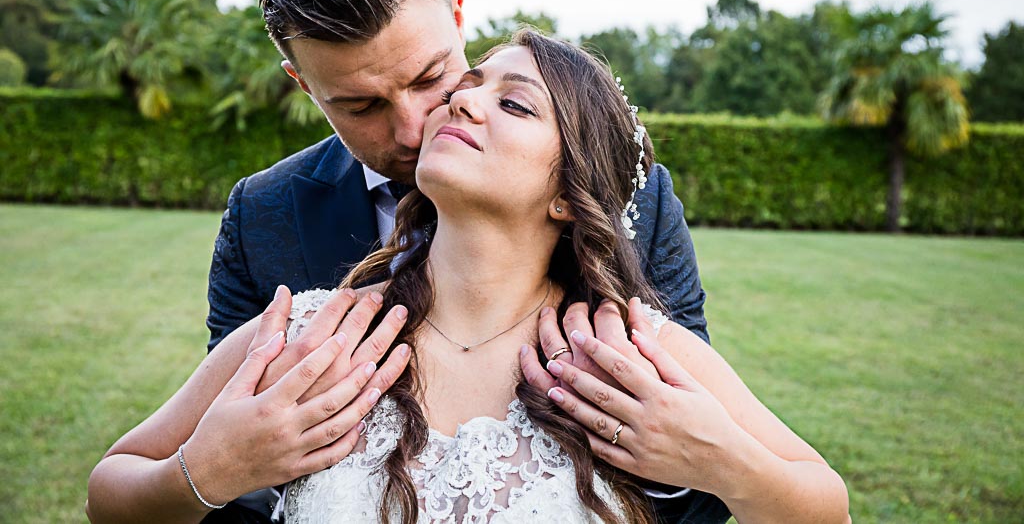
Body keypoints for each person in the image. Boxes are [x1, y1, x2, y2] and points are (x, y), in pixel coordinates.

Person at [87, 30, 851, 523]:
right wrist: (205, 471)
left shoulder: (633, 353)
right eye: (470, 83)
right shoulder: (314, 333)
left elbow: (829, 509)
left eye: (512, 102)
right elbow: (111, 487)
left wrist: (715, 457)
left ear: (566, 193)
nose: (463, 100)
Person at [197, 0, 721, 522]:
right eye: (362, 106)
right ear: (303, 84)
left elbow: (693, 483)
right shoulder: (263, 217)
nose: (416, 129)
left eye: (429, 78)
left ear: (459, 15)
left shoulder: (629, 194)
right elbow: (242, 481)